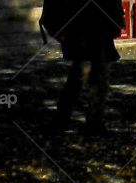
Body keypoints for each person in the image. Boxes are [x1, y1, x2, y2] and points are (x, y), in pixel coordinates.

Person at [40, 0, 124, 134]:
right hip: (84, 27)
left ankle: (75, 118)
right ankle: (76, 118)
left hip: (94, 26)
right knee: (85, 73)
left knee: (89, 74)